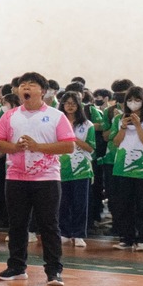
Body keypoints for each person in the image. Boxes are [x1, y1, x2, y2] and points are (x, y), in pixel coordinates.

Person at [0, 72, 74, 286]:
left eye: (31, 85)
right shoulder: (10, 116)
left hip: (46, 178)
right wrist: (14, 147)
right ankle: (17, 267)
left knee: (49, 225)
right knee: (17, 224)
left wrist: (38, 147)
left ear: (43, 91)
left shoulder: (56, 116)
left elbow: (68, 145)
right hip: (15, 177)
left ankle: (54, 270)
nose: (25, 88)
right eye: (22, 85)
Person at [108, 87, 143, 250]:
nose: (133, 103)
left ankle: (142, 239)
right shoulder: (119, 119)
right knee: (124, 204)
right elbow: (115, 142)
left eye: (137, 100)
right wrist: (122, 127)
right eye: (130, 100)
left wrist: (138, 126)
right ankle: (126, 237)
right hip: (122, 167)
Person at [58, 92, 96, 248]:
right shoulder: (57, 123)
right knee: (62, 202)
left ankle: (79, 234)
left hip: (81, 169)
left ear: (79, 105)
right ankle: (64, 232)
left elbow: (91, 148)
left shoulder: (87, 125)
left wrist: (74, 138)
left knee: (80, 203)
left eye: (73, 103)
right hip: (61, 168)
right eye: (67, 102)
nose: (70, 105)